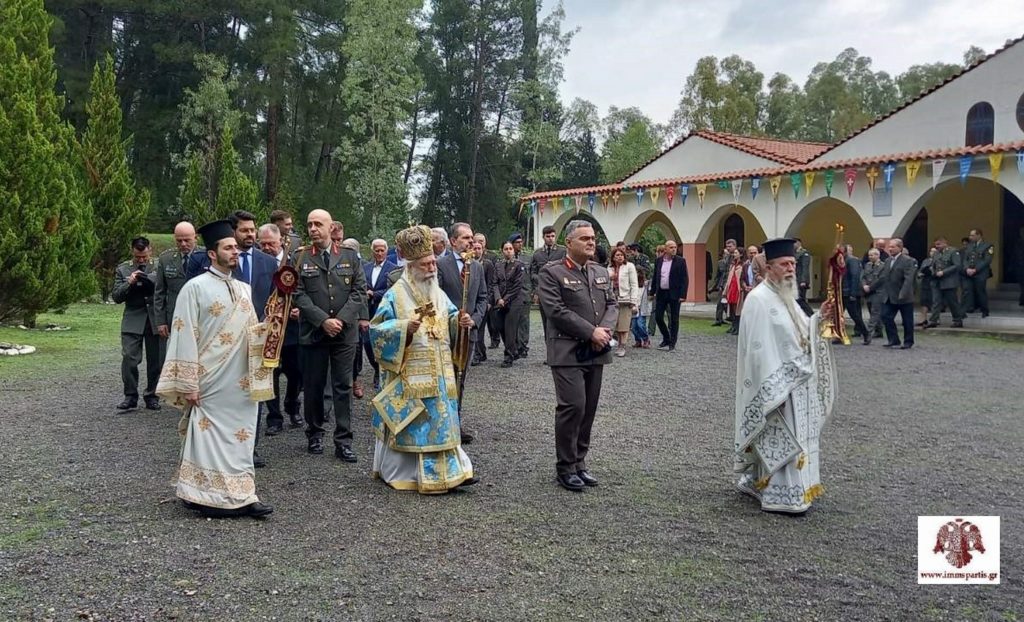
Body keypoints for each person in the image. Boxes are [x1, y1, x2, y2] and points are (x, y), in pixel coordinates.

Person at [156, 219, 273, 519]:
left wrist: (273, 327)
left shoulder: (244, 290)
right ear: (212, 253)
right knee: (206, 436)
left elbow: (251, 333)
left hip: (241, 382)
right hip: (209, 380)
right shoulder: (194, 289)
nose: (236, 252)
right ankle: (203, 494)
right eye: (229, 248)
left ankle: (244, 493)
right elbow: (183, 335)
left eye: (236, 247)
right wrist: (187, 383)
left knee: (242, 437)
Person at [368, 225, 477, 494]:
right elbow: (377, 329)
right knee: (416, 424)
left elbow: (449, 318)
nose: (432, 268)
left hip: (439, 374)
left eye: (433, 263)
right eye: (426, 264)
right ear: (412, 265)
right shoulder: (395, 294)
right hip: (411, 376)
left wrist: (459, 322)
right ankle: (410, 474)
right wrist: (404, 328)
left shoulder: (437, 293)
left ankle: (454, 471)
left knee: (443, 421)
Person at [734, 237, 838, 515]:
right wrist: (771, 390)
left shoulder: (787, 295)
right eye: (784, 264)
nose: (791, 268)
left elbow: (801, 333)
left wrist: (818, 318)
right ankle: (779, 493)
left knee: (796, 439)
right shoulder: (758, 299)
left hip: (797, 384)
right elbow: (757, 351)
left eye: (793, 263)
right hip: (777, 385)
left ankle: (777, 484)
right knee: (781, 437)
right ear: (769, 268)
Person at [537, 220, 616, 492]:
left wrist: (603, 332)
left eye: (593, 238)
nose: (591, 242)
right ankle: (565, 467)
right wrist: (591, 332)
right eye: (584, 238)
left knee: (589, 409)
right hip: (567, 350)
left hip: (596, 350)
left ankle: (580, 462)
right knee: (573, 406)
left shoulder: (600, 271)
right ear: (568, 243)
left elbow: (612, 304)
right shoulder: (552, 273)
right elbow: (556, 311)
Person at [291, 209, 368, 461]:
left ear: (331, 227)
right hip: (314, 332)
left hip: (344, 334)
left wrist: (341, 320)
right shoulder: (300, 257)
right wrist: (323, 320)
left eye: (318, 224)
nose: (313, 229)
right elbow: (297, 293)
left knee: (342, 386)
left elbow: (359, 291)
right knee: (313, 386)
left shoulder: (349, 256)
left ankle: (343, 440)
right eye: (309, 224)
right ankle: (314, 433)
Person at [437, 222, 489, 443]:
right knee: (443, 378)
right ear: (453, 241)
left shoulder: (476, 266)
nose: (471, 242)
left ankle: (455, 423)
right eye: (466, 238)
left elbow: (483, 298)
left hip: (469, 334)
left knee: (461, 378)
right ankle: (440, 424)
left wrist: (474, 320)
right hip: (445, 333)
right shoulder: (440, 264)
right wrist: (452, 318)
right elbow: (435, 297)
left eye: (472, 238)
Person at [258, 224, 305, 435]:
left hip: (293, 329)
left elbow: (303, 289)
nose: (267, 247)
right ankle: (274, 417)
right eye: (263, 243)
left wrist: (299, 310)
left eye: (271, 243)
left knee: (296, 372)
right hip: (268, 328)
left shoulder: (295, 260)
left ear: (281, 242)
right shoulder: (258, 263)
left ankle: (293, 406)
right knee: (271, 373)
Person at [112, 237, 161, 411]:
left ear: (150, 250)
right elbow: (116, 296)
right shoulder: (123, 268)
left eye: (144, 257)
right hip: (133, 318)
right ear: (132, 251)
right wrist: (129, 282)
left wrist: (149, 279)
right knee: (129, 359)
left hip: (155, 318)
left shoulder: (158, 266)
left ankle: (152, 396)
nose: (141, 260)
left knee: (156, 361)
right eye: (138, 257)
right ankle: (130, 396)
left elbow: (164, 288)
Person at [154, 222, 201, 365]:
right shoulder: (166, 258)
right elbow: (159, 292)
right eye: (179, 240)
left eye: (187, 240)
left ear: (196, 238)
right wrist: (160, 321)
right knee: (172, 355)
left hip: (200, 315)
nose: (183, 244)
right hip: (174, 315)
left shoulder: (205, 256)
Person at [363, 239, 397, 392]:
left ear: (386, 250)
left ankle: (381, 372)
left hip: (383, 312)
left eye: (382, 250)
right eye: (376, 250)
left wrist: (374, 294)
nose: (379, 253)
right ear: (372, 251)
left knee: (382, 343)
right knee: (367, 343)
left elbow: (393, 290)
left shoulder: (393, 269)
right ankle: (376, 367)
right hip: (367, 312)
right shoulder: (366, 268)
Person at [649, 240, 689, 352]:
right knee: (658, 317)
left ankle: (672, 342)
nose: (673, 249)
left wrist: (683, 295)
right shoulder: (659, 261)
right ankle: (666, 337)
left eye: (675, 247)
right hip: (662, 292)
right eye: (671, 247)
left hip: (675, 294)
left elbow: (684, 279)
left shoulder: (680, 261)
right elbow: (656, 277)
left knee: (674, 319)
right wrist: (652, 292)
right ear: (665, 249)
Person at [530, 225, 567, 342]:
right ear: (543, 237)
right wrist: (541, 280)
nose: (550, 238)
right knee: (546, 322)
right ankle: (549, 352)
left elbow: (567, 270)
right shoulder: (537, 254)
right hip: (543, 292)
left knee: (559, 322)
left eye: (552, 236)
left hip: (559, 292)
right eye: (548, 236)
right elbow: (532, 273)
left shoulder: (562, 251)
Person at [493, 241, 525, 367]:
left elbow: (517, 286)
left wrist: (505, 299)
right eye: (506, 249)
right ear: (502, 251)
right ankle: (513, 350)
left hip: (514, 301)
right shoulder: (498, 265)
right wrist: (497, 298)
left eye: (510, 248)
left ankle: (508, 356)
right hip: (500, 300)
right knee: (500, 326)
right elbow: (494, 283)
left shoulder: (519, 265)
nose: (508, 251)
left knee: (510, 328)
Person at [881, 238, 917, 349]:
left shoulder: (908, 261)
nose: (890, 249)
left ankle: (908, 341)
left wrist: (903, 294)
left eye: (893, 247)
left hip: (903, 296)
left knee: (907, 320)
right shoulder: (887, 261)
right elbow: (884, 278)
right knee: (885, 316)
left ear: (900, 248)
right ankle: (893, 339)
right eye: (889, 247)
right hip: (889, 296)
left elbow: (908, 279)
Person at [924, 237, 965, 329]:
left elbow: (957, 265)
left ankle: (957, 320)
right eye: (936, 245)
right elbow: (933, 265)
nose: (937, 246)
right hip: (937, 281)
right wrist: (932, 272)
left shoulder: (953, 252)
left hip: (949, 280)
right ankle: (933, 320)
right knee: (936, 301)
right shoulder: (936, 253)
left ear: (945, 243)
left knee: (952, 302)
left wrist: (944, 272)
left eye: (939, 244)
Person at [609, 247, 639, 357]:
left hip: (626, 299)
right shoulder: (610, 268)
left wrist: (634, 300)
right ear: (613, 257)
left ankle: (623, 345)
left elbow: (634, 284)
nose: (619, 257)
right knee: (615, 324)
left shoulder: (629, 266)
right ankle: (618, 344)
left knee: (624, 324)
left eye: (621, 255)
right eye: (617, 255)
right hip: (613, 299)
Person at [470, 240, 494, 365]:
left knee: (479, 329)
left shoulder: (487, 264)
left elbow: (491, 283)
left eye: (479, 248)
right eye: (475, 248)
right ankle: (480, 352)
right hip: (471, 301)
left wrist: (489, 301)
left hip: (483, 301)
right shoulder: (468, 263)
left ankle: (478, 354)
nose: (477, 251)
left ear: (483, 250)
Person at [962, 228, 994, 317]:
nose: (970, 237)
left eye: (972, 235)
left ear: (979, 235)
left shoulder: (988, 246)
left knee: (980, 291)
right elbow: (965, 259)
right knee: (967, 290)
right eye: (970, 235)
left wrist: (976, 269)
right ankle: (965, 309)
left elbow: (986, 260)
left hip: (980, 273)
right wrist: (966, 268)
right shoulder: (969, 246)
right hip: (969, 272)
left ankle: (984, 310)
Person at [510, 232, 532, 359]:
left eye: (521, 242)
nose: (520, 244)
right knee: (513, 322)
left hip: (525, 293)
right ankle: (513, 346)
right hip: (512, 295)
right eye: (517, 242)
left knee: (524, 322)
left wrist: (533, 291)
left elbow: (532, 274)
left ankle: (523, 346)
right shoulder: (507, 257)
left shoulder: (528, 258)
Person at [841, 244, 869, 340]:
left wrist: (853, 293)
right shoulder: (841, 261)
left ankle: (865, 333)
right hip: (841, 292)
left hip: (849, 292)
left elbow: (855, 277)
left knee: (855, 315)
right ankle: (839, 335)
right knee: (838, 315)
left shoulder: (851, 260)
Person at [860, 248, 887, 344]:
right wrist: (864, 285)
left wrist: (870, 287)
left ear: (877, 255)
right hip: (868, 292)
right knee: (872, 311)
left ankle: (868, 333)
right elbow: (863, 276)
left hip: (878, 292)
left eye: (872, 255)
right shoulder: (867, 265)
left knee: (875, 312)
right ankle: (879, 331)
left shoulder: (883, 266)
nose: (870, 257)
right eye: (869, 255)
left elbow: (881, 279)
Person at [711, 240, 738, 326]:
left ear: (734, 246)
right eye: (727, 247)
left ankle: (733, 321)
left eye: (730, 246)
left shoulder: (736, 256)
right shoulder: (728, 257)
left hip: (732, 284)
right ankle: (719, 319)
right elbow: (724, 273)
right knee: (720, 302)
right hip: (724, 284)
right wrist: (720, 285)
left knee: (731, 304)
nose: (728, 248)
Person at [724, 249, 745, 335]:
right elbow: (729, 277)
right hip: (732, 287)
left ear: (741, 254)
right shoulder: (733, 265)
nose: (734, 254)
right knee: (732, 307)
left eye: (736, 253)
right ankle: (733, 325)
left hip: (738, 288)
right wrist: (725, 290)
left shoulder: (743, 265)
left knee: (738, 308)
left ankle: (738, 327)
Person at [630, 269, 652, 348]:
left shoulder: (646, 285)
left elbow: (651, 294)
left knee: (640, 325)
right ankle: (638, 340)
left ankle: (646, 339)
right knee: (633, 327)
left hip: (642, 307)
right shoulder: (631, 285)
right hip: (634, 307)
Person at [794, 238, 813, 316]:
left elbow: (805, 267)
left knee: (800, 299)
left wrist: (803, 281)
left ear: (798, 243)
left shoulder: (804, 253)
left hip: (801, 281)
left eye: (794, 243)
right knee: (798, 299)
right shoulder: (794, 253)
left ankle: (810, 314)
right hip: (796, 280)